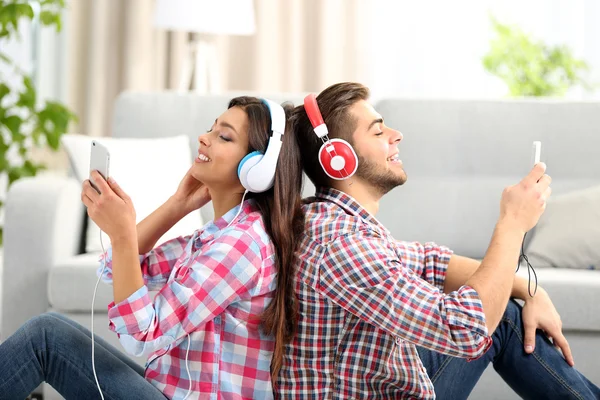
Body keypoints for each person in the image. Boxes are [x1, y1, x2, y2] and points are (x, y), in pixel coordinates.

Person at [276, 82, 600, 399]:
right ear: (338, 157)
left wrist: (533, 290)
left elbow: (432, 261)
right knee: (490, 316)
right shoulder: (342, 244)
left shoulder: (329, 221)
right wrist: (513, 224)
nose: (396, 135)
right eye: (378, 132)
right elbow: (468, 331)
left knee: (501, 311)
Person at [0, 97, 304, 400]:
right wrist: (176, 206)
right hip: (168, 390)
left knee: (46, 338)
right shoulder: (220, 235)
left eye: (223, 136)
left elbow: (143, 335)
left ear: (256, 169)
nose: (203, 138)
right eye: (211, 129)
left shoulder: (241, 244)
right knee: (52, 327)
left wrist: (121, 234)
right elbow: (116, 267)